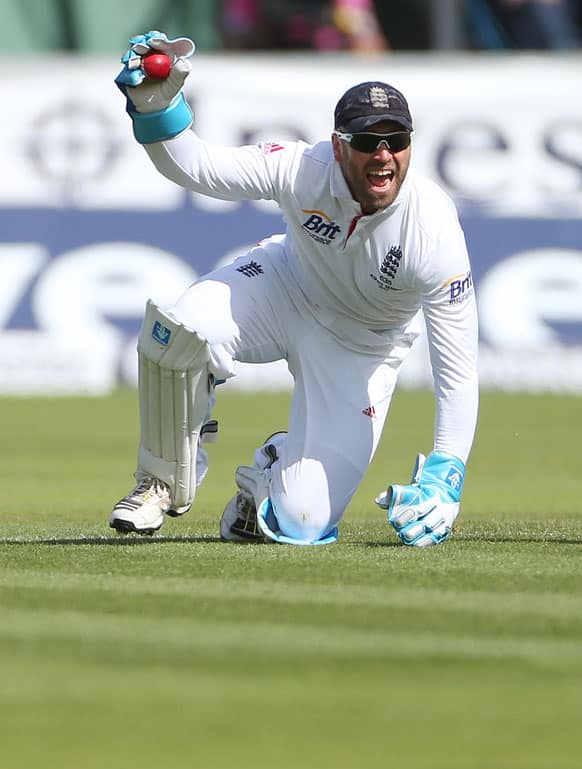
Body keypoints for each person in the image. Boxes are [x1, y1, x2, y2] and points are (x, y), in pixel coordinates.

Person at [110, 31, 479, 548]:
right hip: (284, 289)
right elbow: (198, 166)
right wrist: (157, 107)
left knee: (303, 523)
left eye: (396, 141)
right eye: (367, 141)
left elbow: (457, 365)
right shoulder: (302, 167)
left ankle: (268, 474)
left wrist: (446, 474)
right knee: (183, 330)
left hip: (362, 348)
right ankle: (161, 483)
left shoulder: (433, 229)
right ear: (337, 145)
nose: (383, 156)